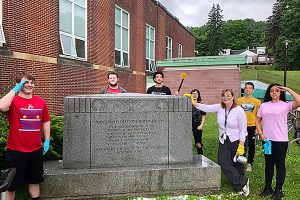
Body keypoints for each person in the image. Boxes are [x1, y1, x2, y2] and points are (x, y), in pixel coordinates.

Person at [0, 71, 51, 200]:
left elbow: (46, 120)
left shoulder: (41, 102)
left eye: (31, 82)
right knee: (10, 185)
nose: (29, 85)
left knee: (35, 181)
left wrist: (46, 140)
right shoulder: (14, 101)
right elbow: (1, 106)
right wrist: (15, 90)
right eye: (25, 82)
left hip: (35, 151)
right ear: (19, 84)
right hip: (15, 151)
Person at [192, 89, 249, 196]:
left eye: (228, 95)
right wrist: (195, 103)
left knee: (237, 163)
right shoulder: (219, 107)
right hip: (224, 139)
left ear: (233, 97)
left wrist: (241, 145)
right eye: (223, 95)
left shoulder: (239, 110)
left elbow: (243, 129)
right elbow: (206, 107)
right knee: (223, 162)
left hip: (237, 140)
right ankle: (243, 182)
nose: (225, 97)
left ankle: (239, 187)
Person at [256, 84, 300, 200]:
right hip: (267, 141)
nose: (274, 93)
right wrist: (261, 134)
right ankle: (268, 188)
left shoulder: (286, 105)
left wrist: (288, 89)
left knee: (280, 165)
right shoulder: (264, 105)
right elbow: (257, 120)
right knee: (268, 164)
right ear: (269, 93)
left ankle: (278, 190)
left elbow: (299, 101)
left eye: (277, 91)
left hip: (281, 141)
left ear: (280, 93)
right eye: (272, 91)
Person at [237, 82, 261, 172]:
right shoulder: (239, 101)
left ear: (253, 90)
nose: (248, 89)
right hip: (241, 126)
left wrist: (258, 128)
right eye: (246, 88)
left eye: (250, 88)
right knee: (242, 144)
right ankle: (241, 161)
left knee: (251, 145)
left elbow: (260, 116)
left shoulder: (257, 102)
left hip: (252, 126)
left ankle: (249, 163)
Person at [191, 89, 206, 155]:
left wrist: (201, 125)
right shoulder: (187, 103)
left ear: (198, 95)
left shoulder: (201, 105)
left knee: (198, 143)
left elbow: (203, 116)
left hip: (197, 125)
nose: (194, 95)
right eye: (193, 93)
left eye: (196, 94)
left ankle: (201, 157)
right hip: (187, 124)